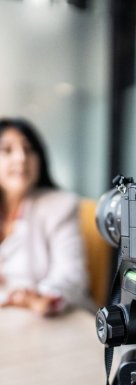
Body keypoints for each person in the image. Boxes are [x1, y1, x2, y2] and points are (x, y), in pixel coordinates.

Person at [0, 117, 88, 315]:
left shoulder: (60, 205)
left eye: (29, 149)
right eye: (7, 150)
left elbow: (71, 275)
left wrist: (41, 297)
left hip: (55, 320)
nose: (21, 158)